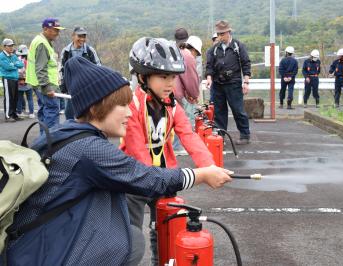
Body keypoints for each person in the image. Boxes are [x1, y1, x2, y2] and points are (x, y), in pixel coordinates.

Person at [3, 56, 231, 266]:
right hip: (38, 253)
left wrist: (207, 164)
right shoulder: (90, 149)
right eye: (121, 105)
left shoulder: (68, 133)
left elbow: (186, 137)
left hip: (32, 240)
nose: (129, 112)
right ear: (95, 108)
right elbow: (147, 177)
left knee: (124, 232)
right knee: (130, 242)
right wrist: (201, 175)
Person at [121, 37, 216, 266]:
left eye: (173, 76)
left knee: (165, 231)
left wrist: (209, 166)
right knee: (130, 234)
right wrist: (159, 180)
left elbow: (189, 135)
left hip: (164, 175)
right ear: (143, 77)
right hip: (135, 178)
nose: (171, 83)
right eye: (163, 76)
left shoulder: (172, 105)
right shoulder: (132, 105)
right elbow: (136, 148)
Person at [205, 20, 251, 145]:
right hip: (217, 84)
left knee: (238, 110)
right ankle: (220, 137)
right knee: (219, 112)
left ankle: (245, 135)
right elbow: (209, 66)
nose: (220, 36)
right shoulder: (214, 49)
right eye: (218, 34)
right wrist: (209, 77)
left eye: (222, 34)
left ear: (229, 32)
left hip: (234, 83)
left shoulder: (238, 46)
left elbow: (246, 63)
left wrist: (246, 82)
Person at [26, 18, 65, 133]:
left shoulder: (40, 41)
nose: (57, 33)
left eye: (58, 30)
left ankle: (43, 139)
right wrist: (47, 87)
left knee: (44, 111)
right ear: (45, 29)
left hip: (38, 84)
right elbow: (41, 68)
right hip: (45, 85)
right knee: (52, 111)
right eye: (55, 30)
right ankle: (51, 141)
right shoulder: (42, 44)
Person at [60, 26, 101, 120]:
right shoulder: (66, 51)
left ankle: (87, 131)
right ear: (73, 36)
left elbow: (98, 67)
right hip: (71, 86)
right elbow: (61, 69)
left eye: (84, 36)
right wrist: (62, 85)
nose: (82, 39)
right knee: (69, 112)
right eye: (80, 36)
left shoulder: (90, 50)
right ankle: (71, 131)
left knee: (87, 111)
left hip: (87, 86)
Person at [173, 28, 201, 154]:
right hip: (178, 94)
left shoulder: (177, 51)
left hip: (170, 91)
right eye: (197, 53)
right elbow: (191, 79)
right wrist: (194, 95)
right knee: (183, 119)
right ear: (194, 49)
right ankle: (179, 146)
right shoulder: (188, 56)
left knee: (172, 119)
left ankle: (175, 146)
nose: (196, 56)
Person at [0, 38, 24, 122]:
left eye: (12, 46)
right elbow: (7, 67)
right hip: (7, 78)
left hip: (15, 78)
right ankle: (8, 115)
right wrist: (15, 65)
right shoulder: (1, 56)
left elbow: (21, 64)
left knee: (15, 97)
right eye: (9, 46)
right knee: (9, 97)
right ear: (4, 47)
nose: (11, 47)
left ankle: (14, 114)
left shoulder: (13, 55)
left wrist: (13, 64)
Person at [15, 44, 35, 118]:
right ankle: (31, 113)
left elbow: (18, 71)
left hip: (20, 81)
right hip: (29, 80)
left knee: (19, 98)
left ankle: (19, 112)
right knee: (30, 98)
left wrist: (21, 79)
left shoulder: (17, 59)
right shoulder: (31, 59)